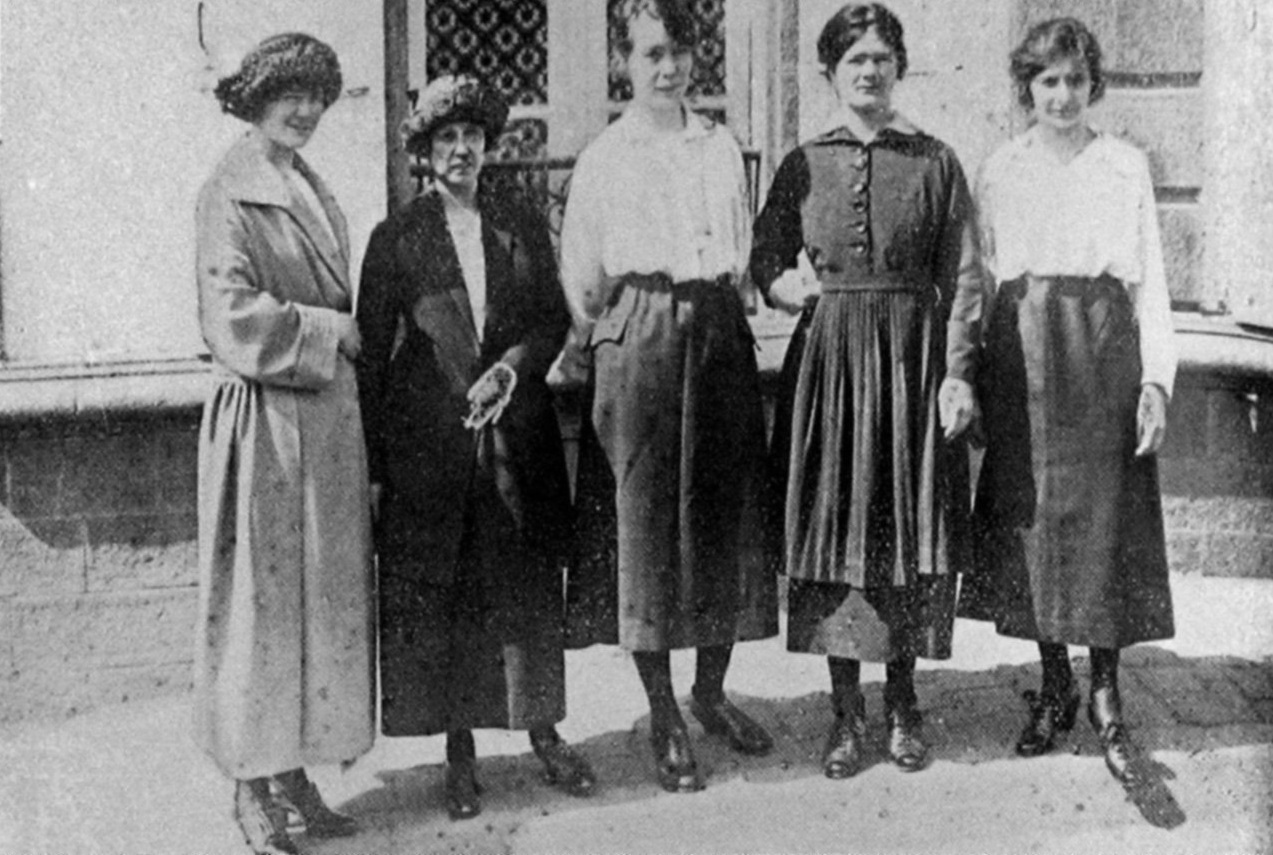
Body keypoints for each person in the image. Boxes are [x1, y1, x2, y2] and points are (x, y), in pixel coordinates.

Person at [749, 3, 982, 779]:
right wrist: (789, 291)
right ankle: (845, 712)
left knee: (906, 527)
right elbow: (764, 260)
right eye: (854, 60)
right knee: (835, 530)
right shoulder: (802, 162)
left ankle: (904, 702)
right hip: (832, 367)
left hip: (912, 365)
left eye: (882, 58)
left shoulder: (935, 161)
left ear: (899, 68)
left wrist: (955, 373)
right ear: (829, 73)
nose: (869, 71)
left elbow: (967, 276)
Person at [356, 74, 595, 822]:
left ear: (490, 146)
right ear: (424, 153)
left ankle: (544, 732)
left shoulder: (518, 221)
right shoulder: (397, 238)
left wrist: (511, 368)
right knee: (455, 598)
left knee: (524, 588)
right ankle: (459, 755)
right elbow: (371, 356)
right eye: (444, 140)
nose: (460, 150)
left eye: (472, 137)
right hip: (436, 448)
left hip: (516, 436)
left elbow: (551, 320)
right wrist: (377, 464)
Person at [556, 0, 778, 794]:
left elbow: (742, 251)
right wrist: (628, 326)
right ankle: (662, 709)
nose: (667, 68)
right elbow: (582, 279)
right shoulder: (606, 156)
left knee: (725, 512)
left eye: (679, 52)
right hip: (640, 337)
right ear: (624, 60)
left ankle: (709, 692)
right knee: (644, 524)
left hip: (716, 330)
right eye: (651, 53)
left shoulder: (716, 145)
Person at [960, 17, 1175, 788]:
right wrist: (975, 377)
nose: (1061, 95)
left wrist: (1155, 381)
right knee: (1037, 522)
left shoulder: (1122, 165)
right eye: (1046, 81)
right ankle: (1053, 682)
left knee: (1104, 518)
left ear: (1093, 87)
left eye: (1074, 81)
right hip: (1021, 352)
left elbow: (1148, 275)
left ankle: (1106, 694)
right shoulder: (999, 169)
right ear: (1027, 88)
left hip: (1102, 345)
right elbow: (981, 281)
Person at [192, 33, 372, 855]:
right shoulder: (230, 189)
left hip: (323, 424)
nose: (305, 111)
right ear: (255, 97)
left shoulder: (306, 182)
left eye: (317, 97)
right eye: (289, 94)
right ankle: (248, 784)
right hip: (263, 420)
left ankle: (293, 768)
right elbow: (228, 314)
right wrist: (328, 329)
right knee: (260, 607)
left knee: (318, 599)